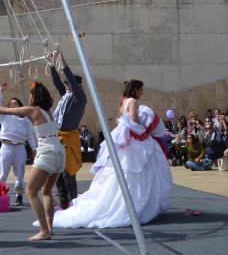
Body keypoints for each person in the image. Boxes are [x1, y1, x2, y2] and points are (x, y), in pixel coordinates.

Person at [52, 79, 173, 229]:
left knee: (122, 170)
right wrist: (144, 132)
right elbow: (133, 119)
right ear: (136, 90)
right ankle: (134, 205)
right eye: (141, 89)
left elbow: (119, 119)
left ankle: (125, 203)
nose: (142, 92)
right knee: (135, 170)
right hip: (133, 141)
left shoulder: (123, 101)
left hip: (124, 140)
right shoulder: (133, 101)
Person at [0, 81, 65, 241]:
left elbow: (3, 110)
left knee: (31, 192)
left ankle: (44, 230)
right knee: (46, 191)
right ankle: (49, 228)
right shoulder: (48, 112)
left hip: (47, 152)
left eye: (30, 95)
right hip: (59, 152)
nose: (28, 98)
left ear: (35, 97)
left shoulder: (32, 110)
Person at [48, 49, 87, 209]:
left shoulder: (79, 97)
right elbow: (57, 83)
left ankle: (73, 202)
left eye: (68, 84)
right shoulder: (66, 96)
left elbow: (69, 77)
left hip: (69, 138)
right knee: (57, 171)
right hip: (58, 137)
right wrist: (52, 65)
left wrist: (61, 60)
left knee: (68, 172)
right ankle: (64, 202)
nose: (65, 86)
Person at [0, 82, 37, 205]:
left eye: (15, 103)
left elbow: (30, 135)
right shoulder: (3, 116)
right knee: (2, 174)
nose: (13, 104)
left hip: (20, 148)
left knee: (19, 174)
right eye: (11, 103)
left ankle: (19, 195)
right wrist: (1, 91)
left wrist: (34, 148)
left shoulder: (25, 119)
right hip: (6, 147)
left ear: (19, 106)